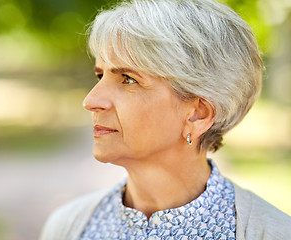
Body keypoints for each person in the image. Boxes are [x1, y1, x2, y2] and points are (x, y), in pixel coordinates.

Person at [40, 0, 291, 239]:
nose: (90, 101)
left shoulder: (273, 234)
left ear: (198, 113)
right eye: (100, 76)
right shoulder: (67, 228)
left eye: (128, 78)